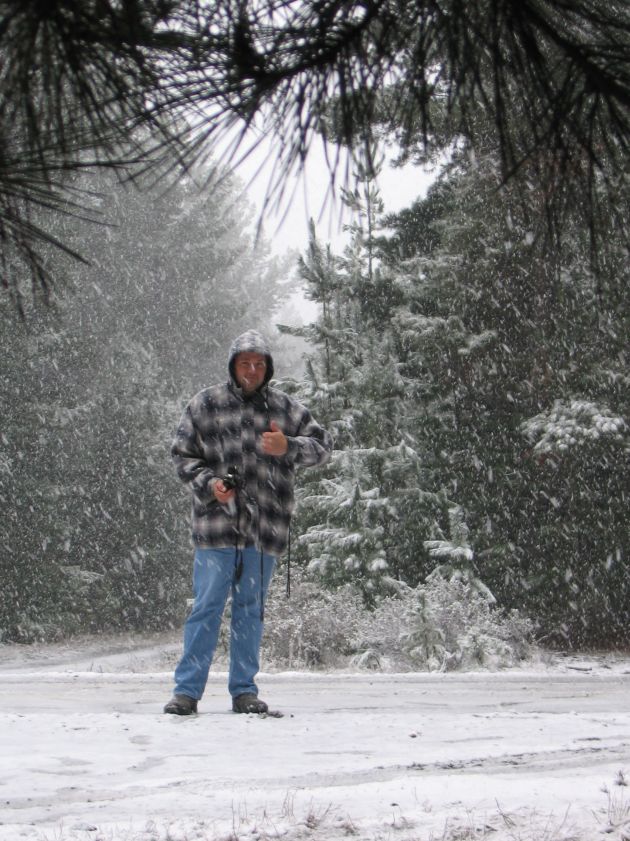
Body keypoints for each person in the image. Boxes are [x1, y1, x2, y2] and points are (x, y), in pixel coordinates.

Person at [164, 329, 333, 715]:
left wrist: (288, 446)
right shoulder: (204, 404)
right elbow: (181, 455)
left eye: (259, 364)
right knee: (206, 607)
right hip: (215, 529)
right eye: (245, 363)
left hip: (264, 531)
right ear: (233, 365)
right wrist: (212, 485)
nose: (252, 370)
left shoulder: (285, 409)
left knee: (250, 610)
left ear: (268, 367)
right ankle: (186, 693)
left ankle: (244, 691)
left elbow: (324, 446)